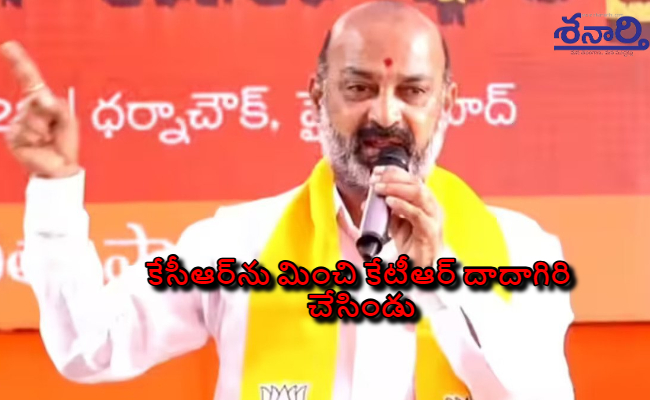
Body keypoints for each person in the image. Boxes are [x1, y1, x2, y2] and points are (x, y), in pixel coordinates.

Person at [1, 1, 575, 399]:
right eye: (358, 87)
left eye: (412, 91)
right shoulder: (235, 245)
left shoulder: (524, 249)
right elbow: (90, 347)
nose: (385, 115)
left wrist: (443, 279)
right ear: (317, 96)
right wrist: (56, 189)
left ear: (446, 103)